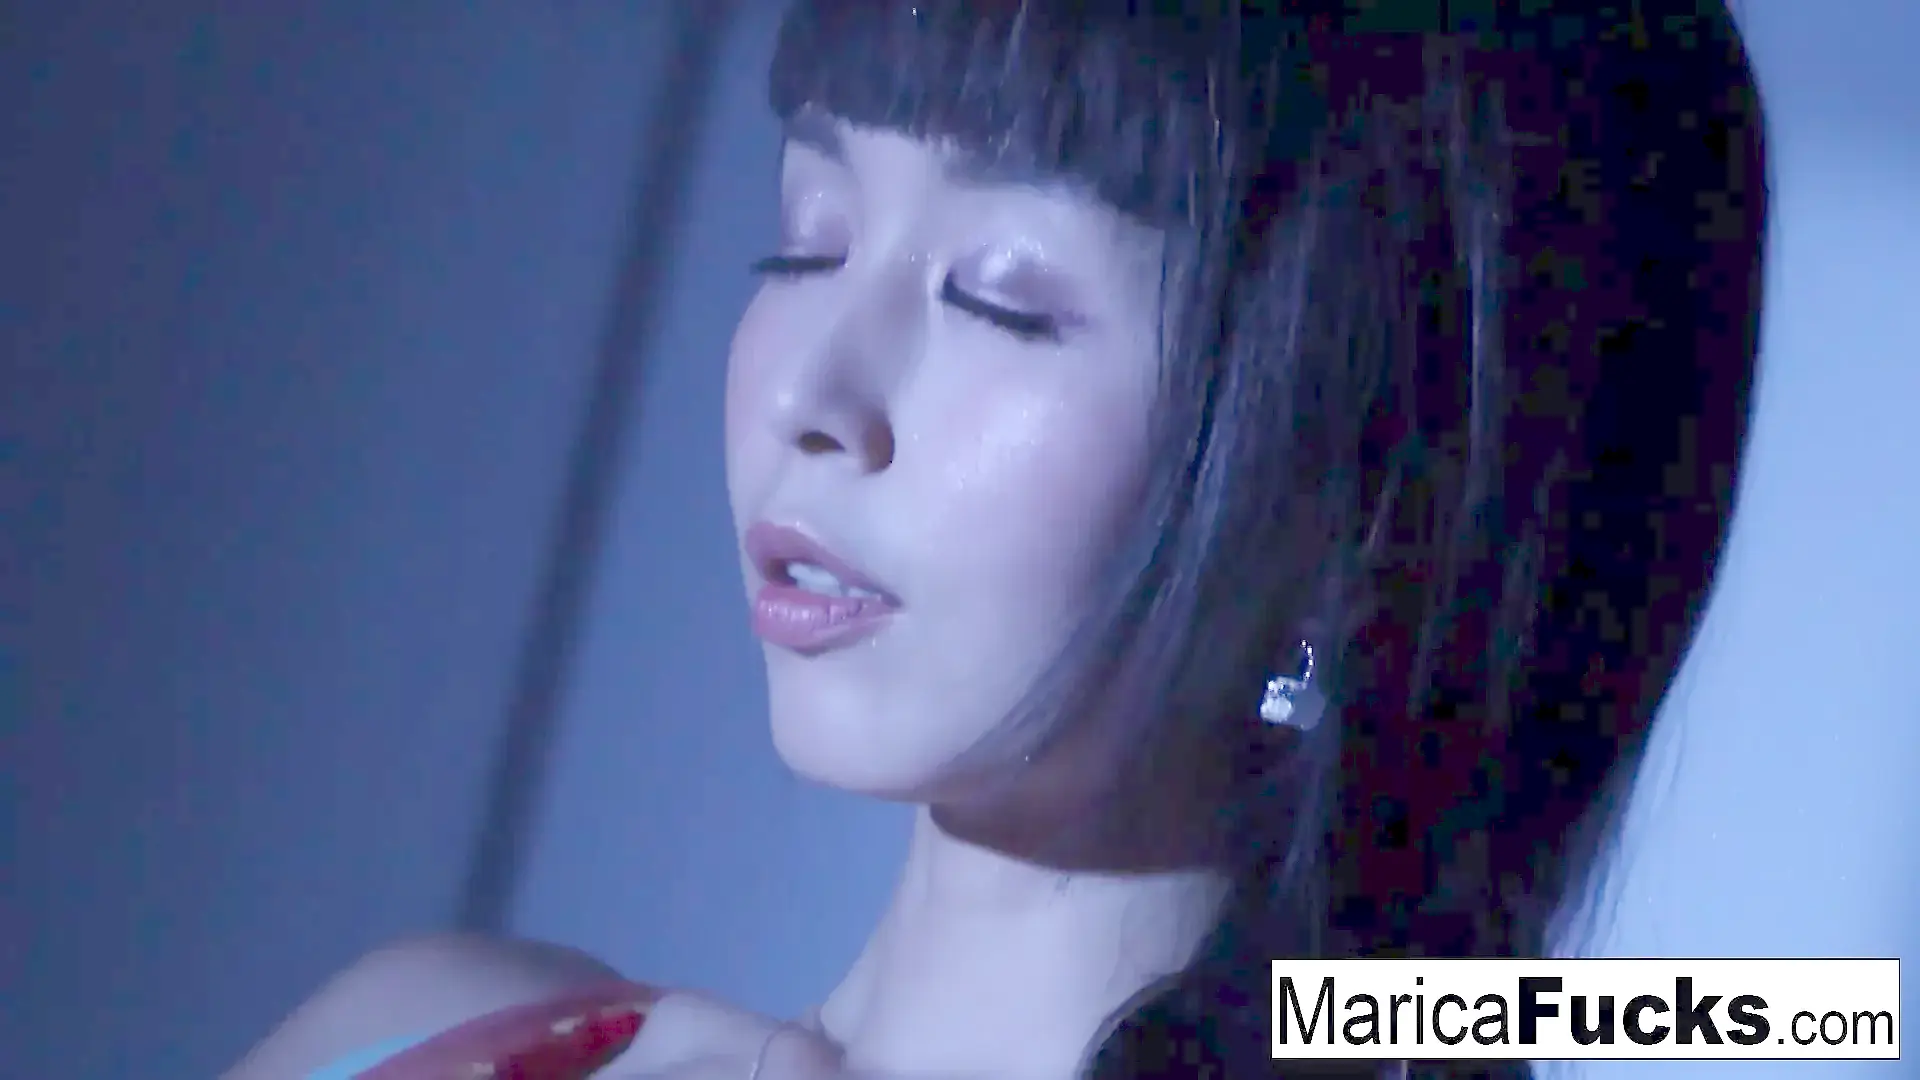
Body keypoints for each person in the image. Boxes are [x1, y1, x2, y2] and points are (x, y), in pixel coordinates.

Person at [225, 2, 1768, 1077]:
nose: (814, 395)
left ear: (1361, 508)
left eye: (1002, 299)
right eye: (810, 239)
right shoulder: (429, 1030)